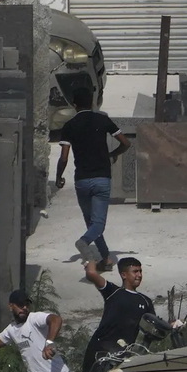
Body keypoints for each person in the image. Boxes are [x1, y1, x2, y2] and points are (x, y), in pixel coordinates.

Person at [55, 87, 131, 272]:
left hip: (82, 180)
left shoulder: (69, 125)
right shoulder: (102, 120)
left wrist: (59, 177)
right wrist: (112, 154)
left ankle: (105, 259)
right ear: (93, 103)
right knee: (98, 224)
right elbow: (126, 143)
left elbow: (64, 157)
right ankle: (84, 242)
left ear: (74, 105)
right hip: (102, 178)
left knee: (91, 223)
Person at [81, 257, 162, 372]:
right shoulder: (113, 291)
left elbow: (155, 326)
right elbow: (91, 273)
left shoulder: (145, 301)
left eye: (140, 271)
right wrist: (92, 261)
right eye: (135, 271)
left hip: (123, 355)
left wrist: (172, 325)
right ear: (124, 275)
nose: (139, 275)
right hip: (99, 350)